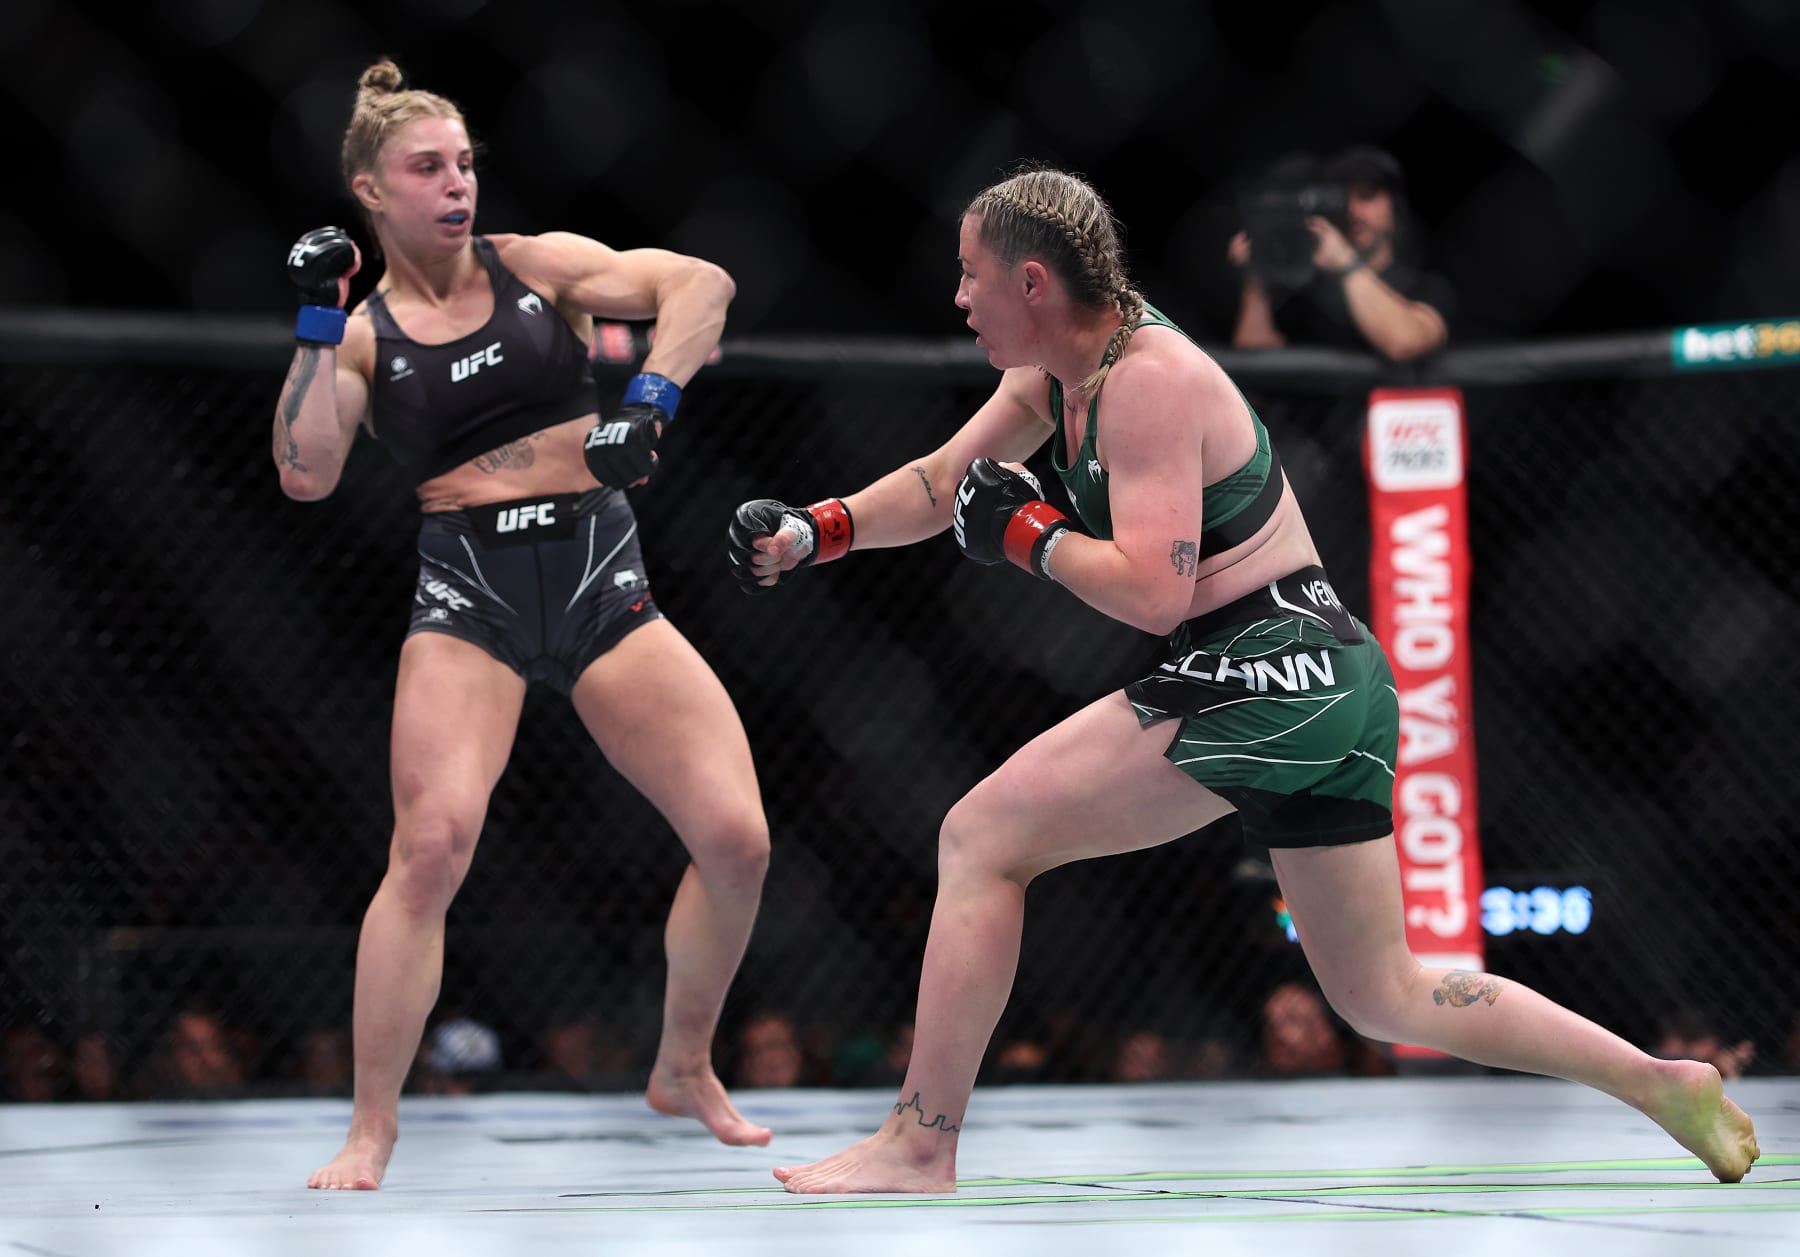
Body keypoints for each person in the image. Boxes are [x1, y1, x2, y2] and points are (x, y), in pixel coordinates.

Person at [726, 164, 1761, 1194]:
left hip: (1266, 665)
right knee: (1383, 994)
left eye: (970, 277)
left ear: (1033, 282)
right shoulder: (1061, 373)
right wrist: (818, 532)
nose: (957, 299)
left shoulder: (1147, 380)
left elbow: (1154, 592)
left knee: (980, 837)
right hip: (1324, 676)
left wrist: (1031, 535)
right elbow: (945, 481)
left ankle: (919, 1142)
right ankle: (1657, 1080)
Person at [275, 59, 772, 1190]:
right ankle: (373, 1124)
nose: (456, 185)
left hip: (602, 573)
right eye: (426, 168)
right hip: (471, 599)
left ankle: (683, 1065)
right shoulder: (358, 334)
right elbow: (304, 473)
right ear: (370, 190)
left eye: (464, 164)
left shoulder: (538, 269)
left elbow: (703, 284)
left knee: (739, 839)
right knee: (431, 847)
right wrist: (312, 320)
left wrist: (650, 400)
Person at [1229, 145, 1452, 362]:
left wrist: (1346, 263)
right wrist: (1257, 275)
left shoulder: (1425, 286)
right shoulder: (1306, 291)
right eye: (1341, 199)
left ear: (1395, 207)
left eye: (1366, 196)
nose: (1353, 211)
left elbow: (1406, 343)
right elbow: (1255, 361)